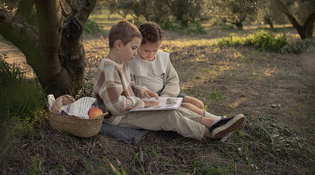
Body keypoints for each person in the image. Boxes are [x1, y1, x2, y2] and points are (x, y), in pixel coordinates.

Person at [93, 20, 245, 141]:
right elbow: (116, 107)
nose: (135, 53)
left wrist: (143, 91)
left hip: (129, 109)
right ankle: (211, 134)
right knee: (169, 116)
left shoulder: (121, 62)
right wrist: (143, 103)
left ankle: (215, 124)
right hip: (118, 118)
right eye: (134, 48)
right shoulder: (109, 68)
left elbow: (129, 86)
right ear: (119, 45)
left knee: (174, 109)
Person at [129, 22, 220, 120]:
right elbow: (129, 85)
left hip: (166, 93)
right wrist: (145, 93)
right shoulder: (131, 61)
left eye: (155, 50)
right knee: (188, 107)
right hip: (148, 98)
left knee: (198, 104)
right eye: (146, 51)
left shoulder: (162, 58)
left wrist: (166, 96)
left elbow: (173, 79)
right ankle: (216, 121)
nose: (151, 54)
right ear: (138, 44)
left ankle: (215, 120)